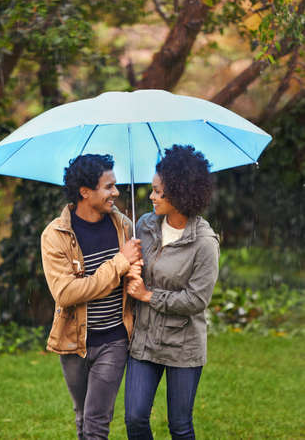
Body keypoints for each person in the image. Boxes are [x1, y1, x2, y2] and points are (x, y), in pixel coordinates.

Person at [41, 153, 141, 440]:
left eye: (116, 185)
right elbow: (66, 293)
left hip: (113, 339)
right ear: (85, 192)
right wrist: (119, 264)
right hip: (73, 342)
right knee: (82, 416)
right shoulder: (55, 236)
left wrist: (136, 271)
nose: (116, 192)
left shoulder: (124, 228)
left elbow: (135, 273)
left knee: (97, 421)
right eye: (108, 186)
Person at [124, 144, 220, 440]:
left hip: (183, 346)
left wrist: (148, 296)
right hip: (145, 341)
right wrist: (130, 266)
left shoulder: (204, 243)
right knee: (135, 418)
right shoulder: (145, 226)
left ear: (179, 193)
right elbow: (136, 272)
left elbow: (196, 300)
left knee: (180, 426)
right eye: (152, 190)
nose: (151, 197)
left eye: (157, 192)